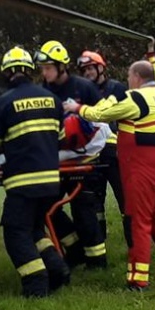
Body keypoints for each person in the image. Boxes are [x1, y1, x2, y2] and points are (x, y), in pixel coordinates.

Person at [67, 60, 155, 290]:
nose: (127, 81)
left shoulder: (135, 98)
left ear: (136, 77)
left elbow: (99, 114)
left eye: (129, 77)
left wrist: (76, 108)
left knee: (138, 221)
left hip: (141, 170)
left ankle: (137, 279)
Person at [0, 47, 69, 297]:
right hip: (50, 181)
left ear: (6, 73)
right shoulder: (52, 99)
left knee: (15, 232)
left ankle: (36, 283)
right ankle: (58, 270)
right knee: (34, 229)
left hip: (23, 183)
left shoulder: (3, 103)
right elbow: (62, 139)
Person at [75, 48, 129, 248]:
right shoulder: (82, 91)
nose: (87, 73)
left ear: (100, 68)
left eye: (90, 68)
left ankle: (134, 241)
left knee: (125, 197)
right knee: (94, 201)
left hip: (115, 151)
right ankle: (98, 242)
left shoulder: (117, 88)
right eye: (84, 70)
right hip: (92, 154)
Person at [53, 110, 112, 267]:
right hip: (82, 164)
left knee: (82, 211)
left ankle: (93, 258)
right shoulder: (82, 98)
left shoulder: (80, 100)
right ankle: (80, 251)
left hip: (77, 166)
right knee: (53, 209)